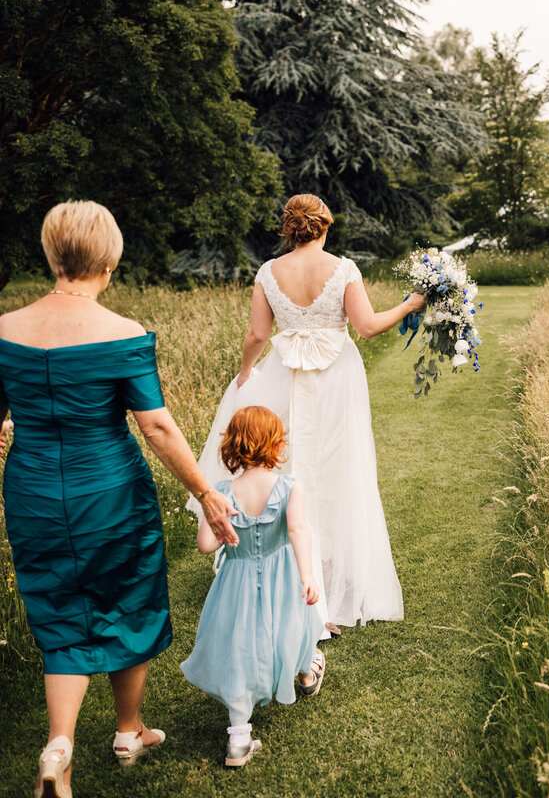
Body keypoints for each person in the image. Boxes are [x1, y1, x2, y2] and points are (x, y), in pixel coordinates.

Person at [0, 201, 238, 798]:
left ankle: (59, 745)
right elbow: (155, 427)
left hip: (32, 489)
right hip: (108, 489)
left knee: (59, 607)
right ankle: (128, 731)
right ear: (109, 261)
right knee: (129, 597)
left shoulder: (3, 330)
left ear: (52, 255)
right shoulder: (123, 335)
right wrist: (207, 492)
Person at [188, 194, 423, 635]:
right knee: (335, 469)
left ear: (289, 229)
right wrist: (410, 305)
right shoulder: (344, 268)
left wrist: (245, 376)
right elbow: (368, 327)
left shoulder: (268, 272)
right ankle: (325, 591)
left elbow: (258, 333)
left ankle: (285, 579)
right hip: (336, 377)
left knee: (286, 465)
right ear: (325, 226)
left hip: (284, 375)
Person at [181, 406, 325, 768]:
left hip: (236, 583)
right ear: (277, 443)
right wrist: (307, 575)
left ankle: (239, 737)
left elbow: (206, 545)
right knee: (293, 626)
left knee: (239, 647)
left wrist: (218, 520)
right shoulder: (291, 486)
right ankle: (306, 672)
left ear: (234, 446)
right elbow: (297, 531)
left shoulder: (223, 492)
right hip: (283, 577)